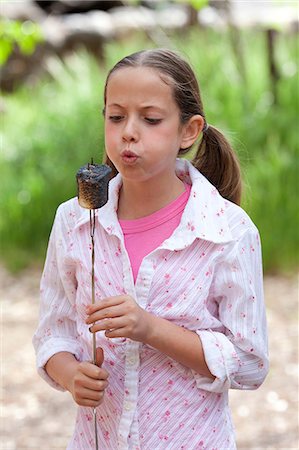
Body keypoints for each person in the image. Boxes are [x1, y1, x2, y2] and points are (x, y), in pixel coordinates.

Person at [33, 48, 269, 450]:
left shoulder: (228, 231)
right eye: (116, 116)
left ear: (189, 131)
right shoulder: (74, 221)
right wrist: (72, 375)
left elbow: (250, 362)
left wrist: (150, 329)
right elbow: (53, 334)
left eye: (151, 119)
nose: (128, 131)